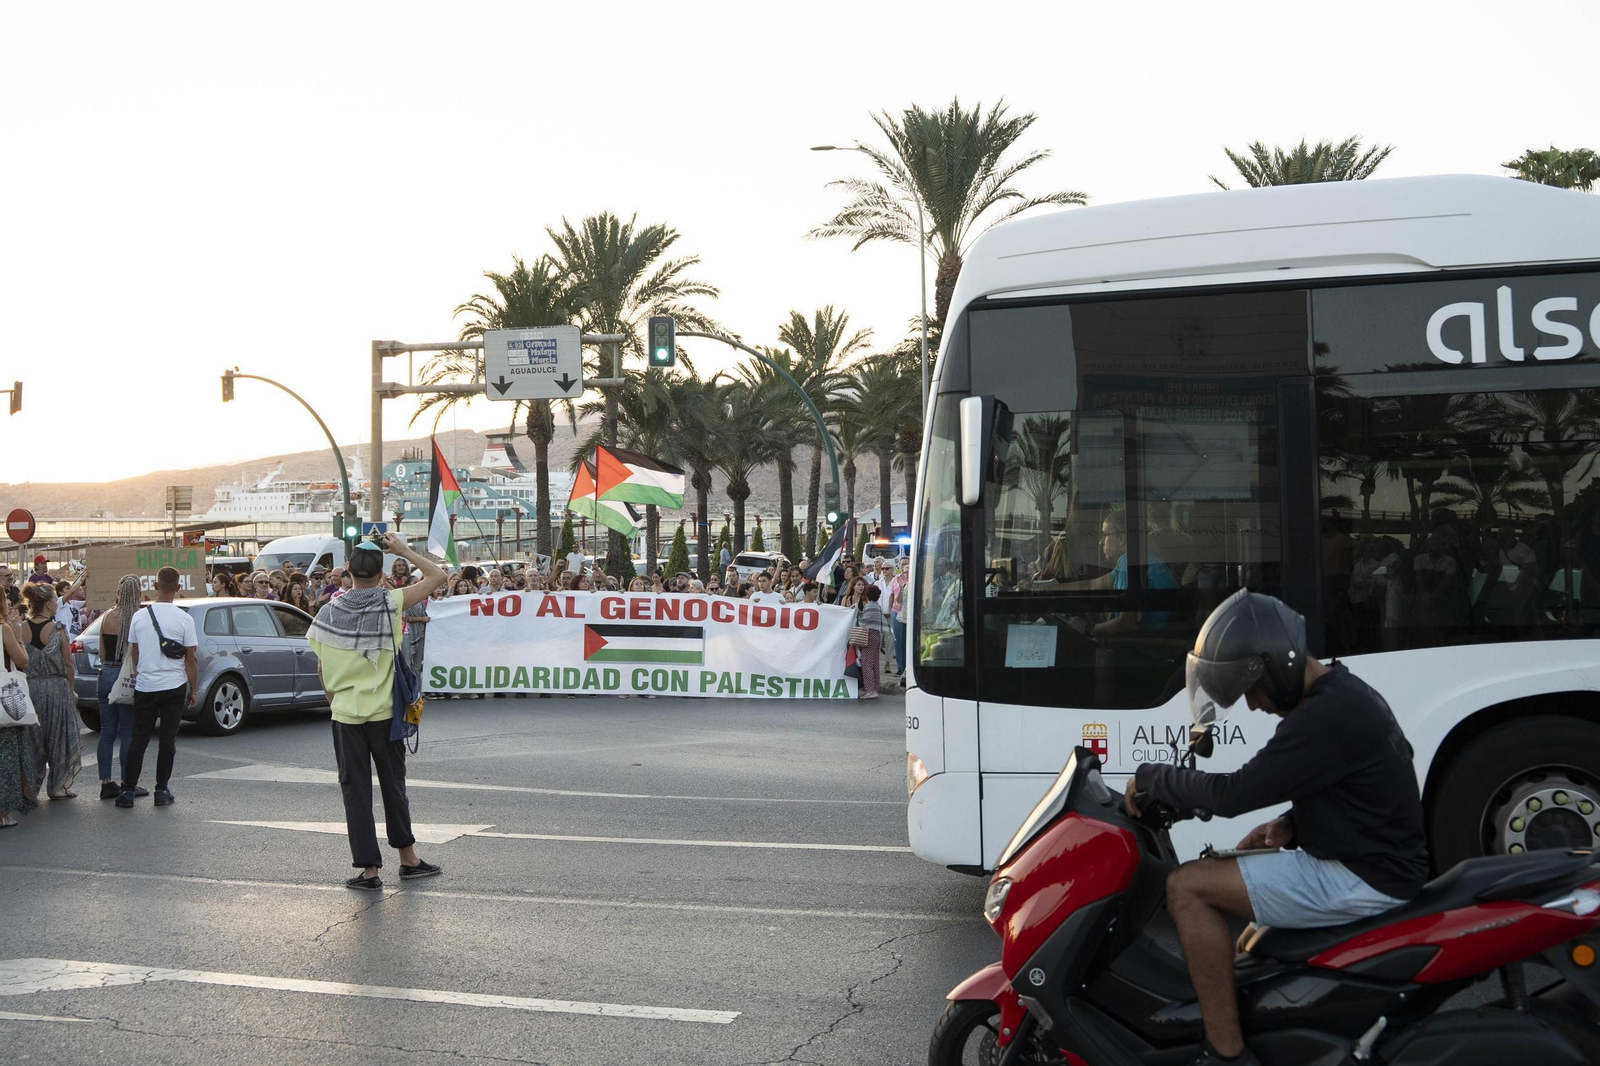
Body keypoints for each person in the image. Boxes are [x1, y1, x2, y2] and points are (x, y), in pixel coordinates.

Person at [1124, 591, 1427, 1066]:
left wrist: (1151, 776)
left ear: (1273, 669)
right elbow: (1371, 782)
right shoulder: (1346, 691)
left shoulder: (1323, 715)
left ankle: (1225, 1052)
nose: (1253, 705)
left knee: (1187, 887)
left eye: (1252, 690)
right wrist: (1291, 825)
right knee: (1248, 932)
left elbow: (1232, 795)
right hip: (1375, 864)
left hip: (1365, 877)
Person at [307, 533, 447, 890]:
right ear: (382, 574)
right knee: (393, 786)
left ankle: (369, 870)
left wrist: (337, 701)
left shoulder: (327, 612)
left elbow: (321, 669)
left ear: (347, 571)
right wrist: (403, 550)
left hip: (345, 715)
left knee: (355, 792)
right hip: (385, 714)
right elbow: (438, 576)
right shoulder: (391, 602)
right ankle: (408, 858)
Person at [118, 567, 197, 808]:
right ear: (178, 588)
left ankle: (127, 791)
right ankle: (161, 790)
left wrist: (140, 674)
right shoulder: (185, 619)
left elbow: (134, 653)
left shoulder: (139, 617)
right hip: (174, 685)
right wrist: (193, 690)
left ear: (155, 586)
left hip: (146, 685)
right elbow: (190, 659)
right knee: (167, 741)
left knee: (139, 739)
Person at [21, 583, 79, 799]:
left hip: (29, 689)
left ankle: (29, 788)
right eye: (55, 600)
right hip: (56, 688)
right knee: (58, 737)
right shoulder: (57, 629)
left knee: (31, 740)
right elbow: (68, 664)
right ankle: (57, 786)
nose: (56, 604)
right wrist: (71, 691)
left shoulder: (20, 628)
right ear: (47, 604)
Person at [95, 576, 149, 801]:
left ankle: (106, 783)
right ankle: (128, 783)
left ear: (118, 592)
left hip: (106, 672)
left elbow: (102, 651)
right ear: (138, 594)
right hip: (125, 675)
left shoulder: (107, 616)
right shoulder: (138, 617)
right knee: (127, 731)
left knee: (107, 731)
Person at [0, 604, 34, 827]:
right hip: (4, 700)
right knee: (6, 758)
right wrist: (18, 636)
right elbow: (23, 662)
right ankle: (2, 813)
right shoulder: (4, 629)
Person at [856, 585, 887, 700]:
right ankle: (875, 687)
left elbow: (864, 622)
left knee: (867, 664)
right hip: (876, 635)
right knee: (874, 663)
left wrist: (858, 614)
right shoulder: (877, 606)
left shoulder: (869, 606)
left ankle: (870, 690)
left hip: (868, 635)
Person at [886, 556, 909, 674]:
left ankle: (908, 667)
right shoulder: (896, 579)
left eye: (906, 564)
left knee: (907, 641)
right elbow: (892, 595)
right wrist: (889, 610)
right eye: (902, 564)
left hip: (908, 613)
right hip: (896, 611)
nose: (904, 566)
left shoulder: (912, 578)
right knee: (898, 640)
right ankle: (900, 667)